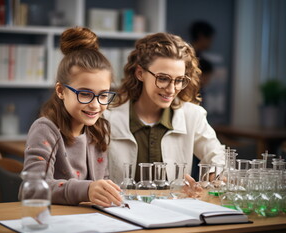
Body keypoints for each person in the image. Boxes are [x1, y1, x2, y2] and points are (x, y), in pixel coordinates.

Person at [104, 32, 225, 189]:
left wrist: (213, 176)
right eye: (162, 78)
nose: (171, 89)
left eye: (179, 80)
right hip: (119, 210)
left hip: (175, 211)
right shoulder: (107, 117)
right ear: (140, 73)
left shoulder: (192, 115)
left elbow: (217, 156)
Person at [20, 27, 122, 207]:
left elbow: (101, 180)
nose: (96, 105)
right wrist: (87, 190)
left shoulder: (99, 129)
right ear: (61, 91)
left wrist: (105, 191)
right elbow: (30, 189)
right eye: (84, 94)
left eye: (103, 95)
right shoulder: (45, 130)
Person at [189, 20, 215, 89]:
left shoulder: (198, 55)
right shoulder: (188, 56)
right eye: (209, 39)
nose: (211, 43)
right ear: (201, 36)